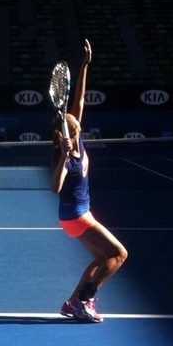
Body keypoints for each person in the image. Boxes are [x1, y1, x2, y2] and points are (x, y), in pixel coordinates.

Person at [50, 39, 128, 323]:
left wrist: (84, 65)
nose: (78, 117)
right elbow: (55, 186)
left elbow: (79, 99)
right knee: (119, 254)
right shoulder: (66, 154)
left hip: (79, 213)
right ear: (69, 129)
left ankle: (72, 303)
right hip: (75, 215)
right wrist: (64, 157)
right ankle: (86, 300)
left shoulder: (77, 137)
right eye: (74, 121)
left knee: (100, 258)